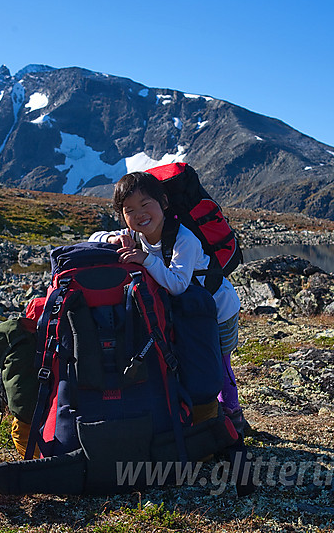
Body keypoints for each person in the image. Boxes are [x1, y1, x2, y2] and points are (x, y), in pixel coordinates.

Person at [88, 171, 248, 436]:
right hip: (190, 314)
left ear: (163, 202)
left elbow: (177, 284)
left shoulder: (185, 239)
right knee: (191, 360)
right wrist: (111, 239)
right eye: (129, 210)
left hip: (220, 309)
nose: (139, 214)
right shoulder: (134, 234)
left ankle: (233, 417)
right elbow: (93, 237)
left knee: (219, 363)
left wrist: (145, 260)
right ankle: (204, 416)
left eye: (145, 204)